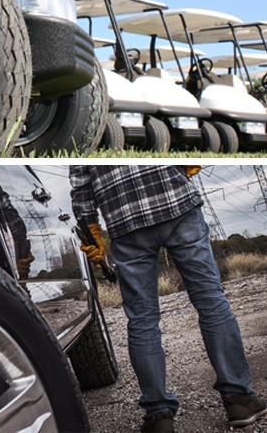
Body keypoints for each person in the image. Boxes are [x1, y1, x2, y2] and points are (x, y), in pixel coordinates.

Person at [69, 165, 266, 433]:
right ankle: (239, 399)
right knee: (211, 301)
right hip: (175, 202)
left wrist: (90, 228)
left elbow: (81, 187)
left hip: (125, 220)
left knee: (142, 320)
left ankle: (159, 416)